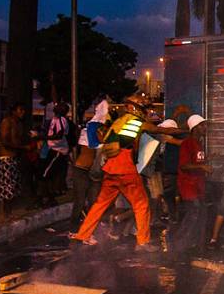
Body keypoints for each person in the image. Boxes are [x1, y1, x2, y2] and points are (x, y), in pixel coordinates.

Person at [71, 94, 180, 251]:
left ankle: (83, 235)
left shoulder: (118, 122)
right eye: (144, 108)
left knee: (99, 204)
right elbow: (161, 129)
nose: (146, 112)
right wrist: (184, 130)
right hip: (125, 168)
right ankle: (142, 242)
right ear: (136, 108)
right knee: (141, 204)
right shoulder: (138, 123)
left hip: (110, 168)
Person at [169, 114, 212, 254]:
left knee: (200, 216)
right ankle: (177, 247)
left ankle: (194, 247)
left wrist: (208, 161)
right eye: (202, 125)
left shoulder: (198, 144)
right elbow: (184, 166)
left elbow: (196, 162)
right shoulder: (187, 143)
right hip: (189, 187)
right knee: (193, 216)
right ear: (194, 128)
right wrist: (202, 167)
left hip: (198, 187)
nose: (205, 128)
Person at [71, 99, 109, 225]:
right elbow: (96, 144)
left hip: (92, 171)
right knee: (80, 201)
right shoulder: (90, 130)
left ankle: (90, 227)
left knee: (93, 200)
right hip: (82, 170)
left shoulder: (95, 129)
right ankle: (74, 229)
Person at [0, 103, 28, 218]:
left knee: (13, 187)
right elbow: (4, 141)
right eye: (20, 110)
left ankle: (9, 212)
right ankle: (4, 214)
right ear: (14, 111)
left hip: (15, 157)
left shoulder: (19, 124)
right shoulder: (7, 122)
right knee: (6, 187)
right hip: (6, 157)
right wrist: (23, 148)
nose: (22, 112)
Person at [36, 102, 70, 208]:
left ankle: (46, 198)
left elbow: (59, 135)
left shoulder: (61, 120)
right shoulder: (56, 119)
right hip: (54, 150)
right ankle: (48, 198)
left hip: (58, 151)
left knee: (45, 174)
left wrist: (43, 138)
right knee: (46, 174)